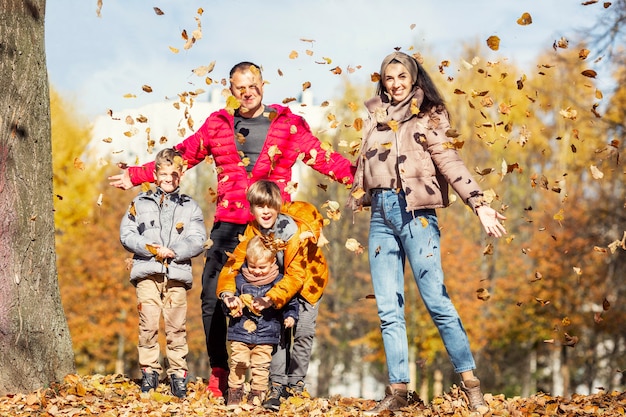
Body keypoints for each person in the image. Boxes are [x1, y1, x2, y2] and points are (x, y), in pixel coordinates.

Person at [108, 61, 354, 398]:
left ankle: (272, 382)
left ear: (263, 85)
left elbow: (323, 157)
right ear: (232, 90)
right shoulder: (218, 125)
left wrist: (361, 180)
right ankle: (220, 372)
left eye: (252, 84)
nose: (247, 91)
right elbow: (181, 156)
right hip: (229, 223)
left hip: (272, 227)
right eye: (240, 87)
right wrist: (137, 175)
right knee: (212, 297)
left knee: (277, 299)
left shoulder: (288, 124)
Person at [347, 51, 507, 415]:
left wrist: (478, 202)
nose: (396, 83)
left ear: (414, 79)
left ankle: (471, 385)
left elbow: (449, 159)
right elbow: (362, 165)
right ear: (383, 82)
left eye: (402, 76)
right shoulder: (374, 116)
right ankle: (398, 392)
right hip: (381, 217)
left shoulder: (429, 116)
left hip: (416, 215)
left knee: (436, 300)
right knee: (389, 308)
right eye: (389, 77)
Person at [217, 180, 329, 411]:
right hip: (276, 285)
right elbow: (232, 265)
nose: (265, 211)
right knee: (276, 332)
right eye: (260, 206)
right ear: (252, 209)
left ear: (278, 206)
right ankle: (276, 384)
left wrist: (272, 298)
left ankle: (295, 383)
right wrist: (228, 293)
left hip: (307, 283)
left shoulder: (293, 232)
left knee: (304, 332)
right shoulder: (251, 232)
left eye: (270, 206)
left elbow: (296, 275)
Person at [119, 148, 207, 399]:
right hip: (147, 271)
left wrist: (175, 251)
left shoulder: (190, 206)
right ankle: (149, 370)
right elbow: (127, 234)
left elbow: (198, 239)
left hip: (176, 274)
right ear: (155, 174)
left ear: (181, 175)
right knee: (147, 322)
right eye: (164, 173)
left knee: (176, 326)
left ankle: (178, 374)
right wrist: (150, 248)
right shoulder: (139, 202)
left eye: (175, 174)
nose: (169, 178)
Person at [221, 235, 298, 408]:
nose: (256, 271)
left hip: (266, 333)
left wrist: (290, 316)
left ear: (272, 263)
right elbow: (226, 304)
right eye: (252, 266)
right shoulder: (239, 280)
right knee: (238, 362)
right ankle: (235, 391)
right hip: (240, 332)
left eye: (262, 267)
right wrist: (231, 307)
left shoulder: (278, 282)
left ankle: (257, 394)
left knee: (261, 366)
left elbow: (289, 301)